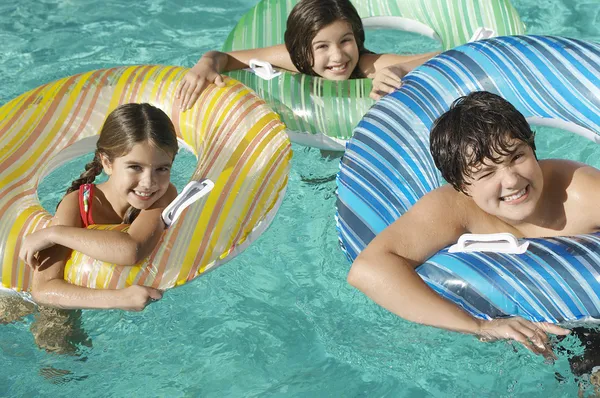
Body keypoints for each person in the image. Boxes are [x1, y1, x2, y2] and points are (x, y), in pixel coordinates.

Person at [346, 91, 600, 358]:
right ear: (461, 186)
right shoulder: (454, 208)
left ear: (533, 148)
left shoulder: (581, 193)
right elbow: (368, 269)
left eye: (516, 157)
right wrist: (480, 326)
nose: (512, 180)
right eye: (487, 172)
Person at [18, 102, 179, 312]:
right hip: (58, 301)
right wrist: (118, 299)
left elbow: (132, 248)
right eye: (135, 167)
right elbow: (43, 289)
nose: (148, 182)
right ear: (107, 163)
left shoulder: (163, 195)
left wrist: (55, 234)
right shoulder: (78, 205)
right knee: (55, 337)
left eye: (162, 168)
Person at [176, 0, 439, 110]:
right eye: (322, 46)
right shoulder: (294, 59)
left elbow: (444, 56)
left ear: (357, 39)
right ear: (302, 50)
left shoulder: (368, 65)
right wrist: (207, 63)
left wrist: (401, 69)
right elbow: (225, 57)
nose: (338, 56)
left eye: (345, 41)